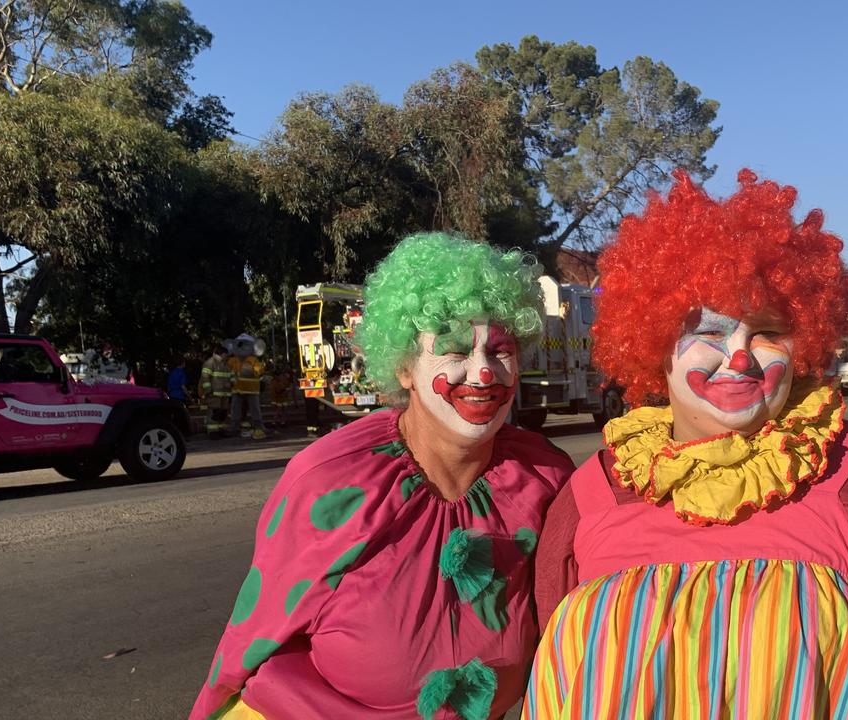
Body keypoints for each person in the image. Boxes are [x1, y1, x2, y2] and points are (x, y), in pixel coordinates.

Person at [524, 170, 848, 719]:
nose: (740, 357)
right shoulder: (592, 492)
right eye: (710, 332)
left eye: (766, 331)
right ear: (653, 342)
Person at [190, 233, 574, 720]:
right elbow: (250, 638)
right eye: (455, 351)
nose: (482, 373)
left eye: (500, 351)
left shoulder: (544, 478)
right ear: (405, 368)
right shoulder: (331, 479)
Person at [199, 344, 233, 439]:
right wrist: (208, 390)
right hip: (214, 394)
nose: (227, 356)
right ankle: (212, 432)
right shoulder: (210, 363)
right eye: (226, 354)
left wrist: (232, 383)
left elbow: (232, 376)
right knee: (214, 412)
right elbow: (205, 378)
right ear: (222, 354)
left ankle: (221, 430)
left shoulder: (226, 364)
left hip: (225, 394)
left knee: (223, 413)